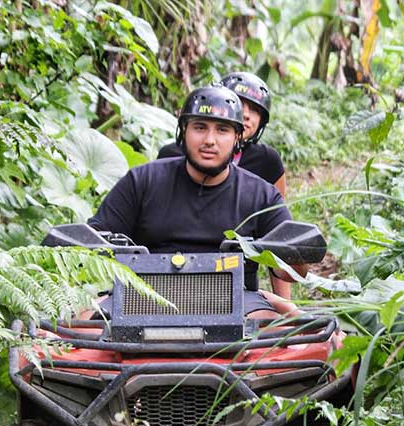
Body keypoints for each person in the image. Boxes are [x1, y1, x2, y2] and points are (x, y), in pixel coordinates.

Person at [89, 85, 306, 319]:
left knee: (283, 333)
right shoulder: (142, 181)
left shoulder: (262, 195)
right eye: (200, 127)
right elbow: (89, 244)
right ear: (183, 130)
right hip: (142, 295)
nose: (210, 140)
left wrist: (297, 254)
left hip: (237, 299)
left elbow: (293, 269)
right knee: (78, 324)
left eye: (222, 130)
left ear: (237, 138)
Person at [158, 72, 292, 300]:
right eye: (241, 104)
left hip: (237, 280)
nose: (247, 115)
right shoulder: (170, 157)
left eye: (255, 110)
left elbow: (276, 236)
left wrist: (286, 305)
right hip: (172, 274)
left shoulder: (267, 162)